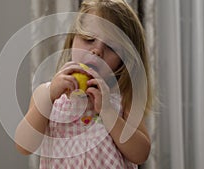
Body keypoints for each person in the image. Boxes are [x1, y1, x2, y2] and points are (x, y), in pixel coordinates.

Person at [15, 0, 153, 168]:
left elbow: (141, 154)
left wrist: (108, 111)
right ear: (72, 40)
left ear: (124, 61)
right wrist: (49, 95)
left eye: (111, 48)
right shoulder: (46, 94)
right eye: (88, 39)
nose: (97, 51)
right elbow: (24, 146)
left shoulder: (122, 99)